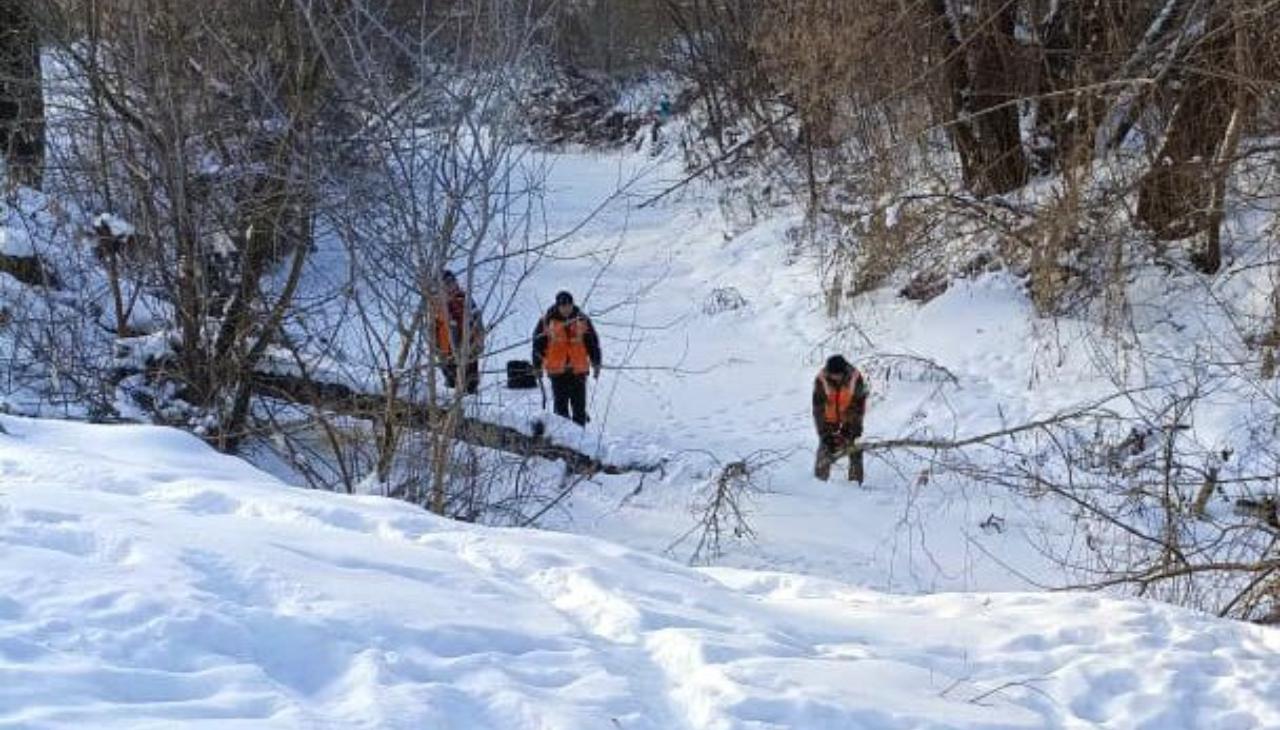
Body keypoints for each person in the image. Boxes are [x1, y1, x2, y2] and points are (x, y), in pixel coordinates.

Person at [531, 290, 601, 426]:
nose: (566, 308)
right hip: (557, 372)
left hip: (578, 371)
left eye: (569, 305)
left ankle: (580, 440)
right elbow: (537, 346)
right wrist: (537, 367)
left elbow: (592, 343)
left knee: (579, 409)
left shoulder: (582, 320)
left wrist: (596, 362)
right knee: (561, 411)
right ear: (558, 306)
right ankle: (563, 441)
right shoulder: (546, 321)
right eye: (563, 305)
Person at [813, 355, 869, 483]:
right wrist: (825, 434)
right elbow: (818, 410)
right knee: (824, 450)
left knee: (854, 449)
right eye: (832, 375)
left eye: (837, 375)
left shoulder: (855, 378)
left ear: (843, 372)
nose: (835, 378)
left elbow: (858, 407)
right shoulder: (821, 380)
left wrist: (850, 430)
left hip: (848, 420)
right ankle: (818, 483)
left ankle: (855, 483)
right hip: (829, 421)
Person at [431, 269, 485, 394]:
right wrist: (435, 348)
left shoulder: (464, 300)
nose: (450, 286)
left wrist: (478, 344)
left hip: (466, 349)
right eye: (446, 284)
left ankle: (470, 406)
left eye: (451, 282)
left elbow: (477, 323)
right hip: (445, 351)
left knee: (469, 384)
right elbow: (433, 329)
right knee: (451, 384)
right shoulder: (435, 304)